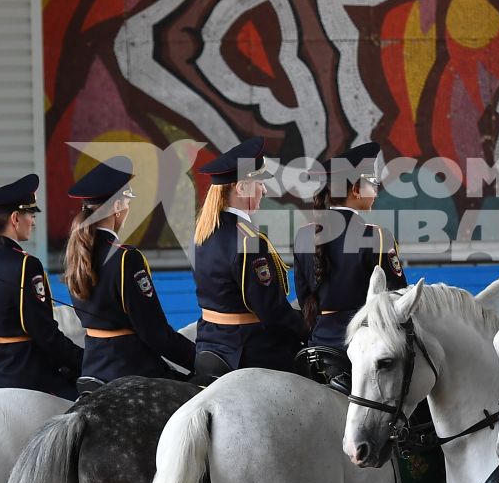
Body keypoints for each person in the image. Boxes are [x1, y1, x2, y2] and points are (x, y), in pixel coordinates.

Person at [63, 157, 195, 382]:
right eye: (127, 200)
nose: (128, 207)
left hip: (93, 370)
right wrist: (198, 360)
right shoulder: (126, 258)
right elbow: (156, 333)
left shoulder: (75, 253)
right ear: (116, 207)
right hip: (130, 369)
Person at [191, 138, 306, 372]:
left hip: (210, 345)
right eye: (260, 183)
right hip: (250, 350)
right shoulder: (248, 241)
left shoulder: (204, 233)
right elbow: (272, 312)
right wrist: (312, 329)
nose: (264, 189)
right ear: (241, 187)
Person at [0, 174, 82, 398]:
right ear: (15, 218)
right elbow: (45, 334)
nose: (33, 220)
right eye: (30, 213)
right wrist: (84, 359)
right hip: (25, 374)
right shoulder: (26, 264)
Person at [294, 141, 407, 350]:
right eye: (372, 181)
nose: (376, 187)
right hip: (362, 347)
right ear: (356, 189)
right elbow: (397, 298)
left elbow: (303, 298)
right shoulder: (377, 236)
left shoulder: (303, 235)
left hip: (318, 343)